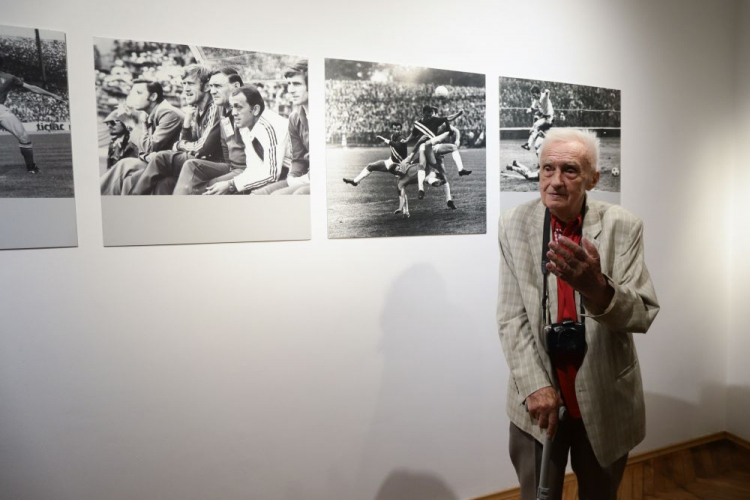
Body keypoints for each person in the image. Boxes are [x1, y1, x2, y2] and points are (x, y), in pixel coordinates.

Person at [497, 128, 659, 500]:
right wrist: (535, 385)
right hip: (537, 401)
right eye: (546, 168)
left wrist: (597, 288)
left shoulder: (623, 225)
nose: (555, 181)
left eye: (570, 170)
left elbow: (643, 312)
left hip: (605, 397)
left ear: (594, 178)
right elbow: (511, 316)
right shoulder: (513, 225)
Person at [128, 64, 222, 194]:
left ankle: (133, 197)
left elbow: (202, 148)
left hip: (214, 162)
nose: (186, 89)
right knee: (164, 184)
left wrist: (179, 145)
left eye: (190, 84)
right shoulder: (197, 110)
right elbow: (191, 142)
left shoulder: (214, 107)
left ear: (206, 86)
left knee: (162, 157)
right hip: (199, 159)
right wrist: (187, 123)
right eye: (184, 84)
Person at [185, 85, 288, 195]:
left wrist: (231, 185)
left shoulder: (268, 126)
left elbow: (272, 174)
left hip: (295, 175)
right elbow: (254, 167)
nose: (233, 113)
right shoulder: (246, 127)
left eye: (238, 107)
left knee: (251, 194)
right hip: (280, 173)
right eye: (232, 107)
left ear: (255, 109)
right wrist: (230, 183)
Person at [100, 79, 184, 195]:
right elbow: (143, 150)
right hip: (156, 163)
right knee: (127, 169)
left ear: (153, 96)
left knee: (126, 166)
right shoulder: (147, 114)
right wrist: (147, 155)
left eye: (139, 93)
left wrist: (130, 123)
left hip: (173, 166)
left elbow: (150, 147)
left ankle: (98, 197)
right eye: (132, 93)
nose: (133, 97)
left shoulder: (169, 113)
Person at [172, 67, 246, 195]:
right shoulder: (221, 110)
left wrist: (231, 182)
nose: (212, 91)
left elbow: (203, 147)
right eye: (211, 86)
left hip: (243, 170)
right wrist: (187, 124)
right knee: (170, 180)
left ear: (236, 86)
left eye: (217, 86)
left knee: (195, 177)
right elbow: (225, 147)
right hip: (229, 166)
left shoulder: (247, 112)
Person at [0, 54, 66, 174]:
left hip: (1, 109)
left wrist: (53, 95)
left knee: (24, 137)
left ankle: (31, 167)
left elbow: (32, 88)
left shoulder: (9, 77)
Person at [254, 60, 309, 195]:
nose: (290, 90)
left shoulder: (322, 116)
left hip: (318, 179)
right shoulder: (294, 118)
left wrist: (301, 180)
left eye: (296, 84)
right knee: (259, 194)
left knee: (288, 195)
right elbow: (298, 159)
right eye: (289, 84)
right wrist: (292, 177)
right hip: (303, 177)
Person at [343, 121, 407, 186]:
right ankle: (355, 181)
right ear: (392, 130)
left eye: (398, 130)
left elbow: (397, 146)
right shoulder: (393, 136)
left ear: (401, 130)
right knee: (370, 166)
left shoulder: (402, 138)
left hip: (400, 164)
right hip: (391, 162)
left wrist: (385, 140)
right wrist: (385, 140)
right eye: (394, 129)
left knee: (401, 185)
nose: (396, 131)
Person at [521, 85, 553, 153]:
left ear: (538, 93)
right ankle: (530, 144)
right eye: (532, 95)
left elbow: (547, 93)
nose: (533, 96)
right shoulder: (536, 100)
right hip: (544, 118)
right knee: (537, 146)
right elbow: (532, 108)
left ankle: (529, 144)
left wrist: (547, 91)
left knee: (535, 125)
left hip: (549, 119)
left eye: (534, 95)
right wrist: (529, 110)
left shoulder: (544, 97)